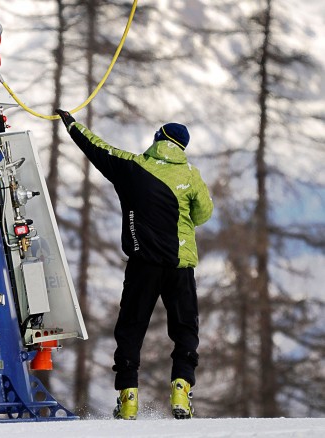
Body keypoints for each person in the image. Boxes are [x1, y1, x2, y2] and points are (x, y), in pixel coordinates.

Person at [55, 109, 213, 420]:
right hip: (180, 267)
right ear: (182, 147)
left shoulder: (132, 167)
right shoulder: (191, 175)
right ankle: (181, 391)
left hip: (143, 266)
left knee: (131, 328)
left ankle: (128, 399)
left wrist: (73, 125)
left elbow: (98, 148)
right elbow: (204, 214)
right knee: (185, 329)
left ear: (157, 140)